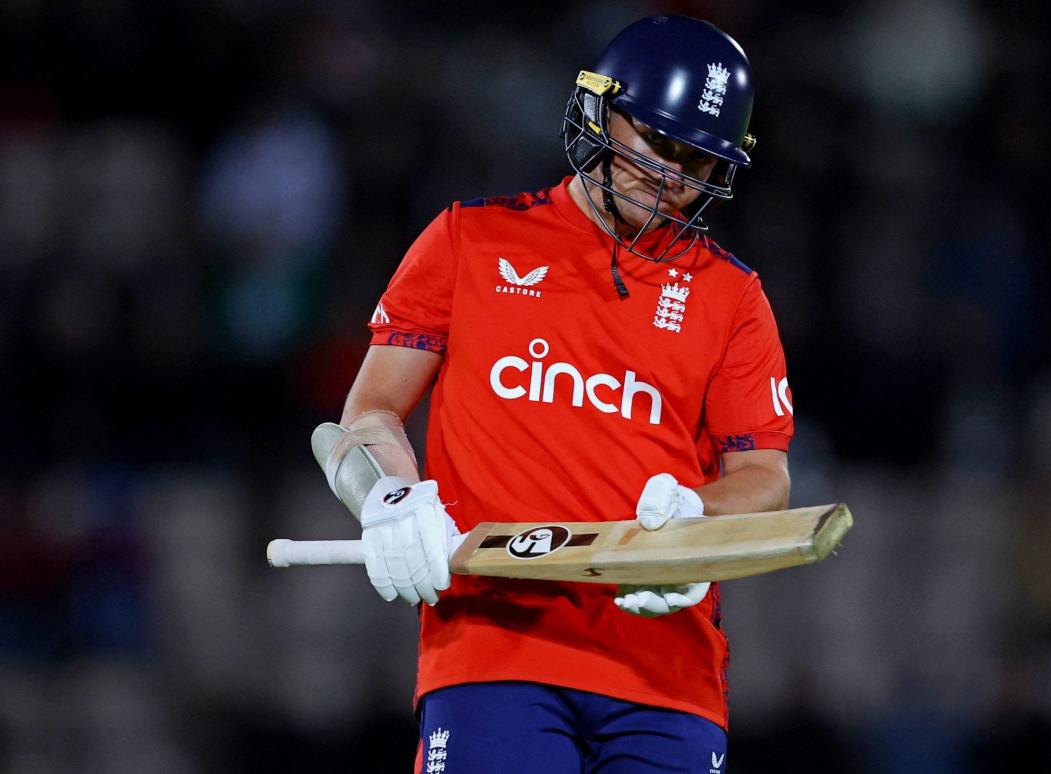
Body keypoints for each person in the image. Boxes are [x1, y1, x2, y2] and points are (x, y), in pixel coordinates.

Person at [325, 14, 793, 773]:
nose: (672, 177)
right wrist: (389, 498)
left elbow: (764, 477)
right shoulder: (468, 242)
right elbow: (368, 414)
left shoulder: (733, 298)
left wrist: (695, 516)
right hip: (493, 650)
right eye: (654, 142)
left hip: (666, 670)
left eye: (697, 161)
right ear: (599, 110)